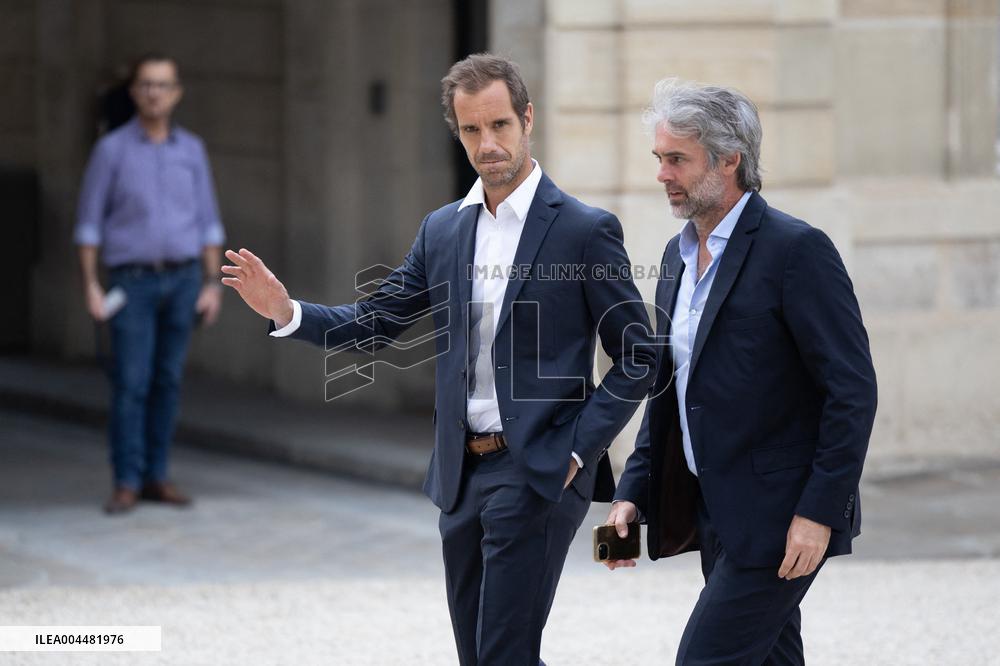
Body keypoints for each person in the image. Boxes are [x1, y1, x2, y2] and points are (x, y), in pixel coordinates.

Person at [222, 54, 656, 665]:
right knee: (479, 656)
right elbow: (376, 322)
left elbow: (638, 357)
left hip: (539, 470)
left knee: (502, 654)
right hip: (461, 474)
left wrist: (578, 450)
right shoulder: (443, 231)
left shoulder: (584, 230)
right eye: (472, 129)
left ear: (527, 119)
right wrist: (287, 310)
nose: (488, 144)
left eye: (500, 125)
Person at [605, 78, 878, 665]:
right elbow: (672, 391)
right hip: (713, 510)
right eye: (659, 158)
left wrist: (818, 513)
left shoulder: (796, 250)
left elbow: (852, 391)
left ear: (729, 159)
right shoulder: (677, 258)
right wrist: (633, 492)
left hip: (780, 518)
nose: (662, 174)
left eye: (677, 159)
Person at [75, 53, 225, 515]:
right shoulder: (111, 150)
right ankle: (126, 479)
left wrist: (212, 283)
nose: (155, 93)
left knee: (168, 381)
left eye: (163, 85)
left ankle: (157, 477)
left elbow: (208, 221)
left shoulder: (192, 150)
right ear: (134, 92)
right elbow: (89, 224)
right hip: (132, 283)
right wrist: (91, 285)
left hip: (183, 280)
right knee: (131, 383)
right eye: (146, 84)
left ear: (176, 93)